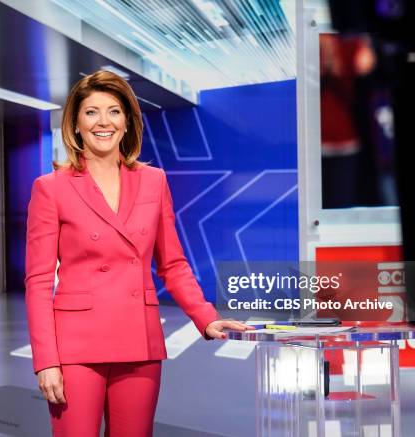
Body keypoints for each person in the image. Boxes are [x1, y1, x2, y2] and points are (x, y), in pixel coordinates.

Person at [24, 69, 253, 437]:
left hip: (139, 342)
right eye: (92, 112)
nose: (104, 122)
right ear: (76, 123)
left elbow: (173, 264)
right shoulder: (51, 189)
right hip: (75, 347)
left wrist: (205, 317)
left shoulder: (154, 181)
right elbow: (37, 282)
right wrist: (46, 361)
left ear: (128, 122)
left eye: (114, 111)